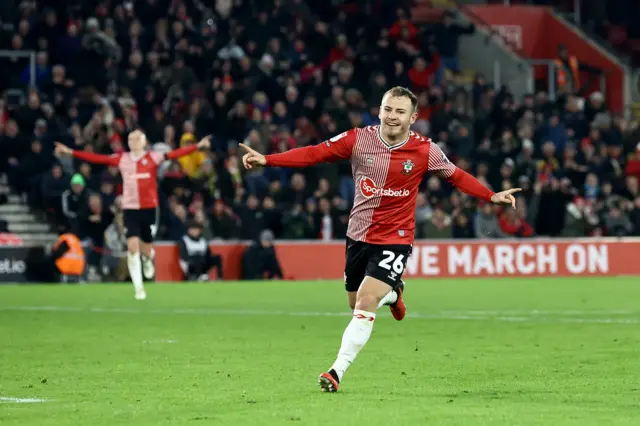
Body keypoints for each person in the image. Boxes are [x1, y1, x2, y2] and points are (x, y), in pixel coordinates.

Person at [240, 86, 521, 393]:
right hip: (358, 235)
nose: (392, 116)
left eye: (400, 111)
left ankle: (337, 370)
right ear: (379, 110)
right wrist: (268, 159)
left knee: (364, 300)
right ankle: (393, 294)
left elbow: (455, 175)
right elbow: (313, 153)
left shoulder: (426, 150)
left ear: (413, 117)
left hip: (396, 237)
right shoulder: (358, 139)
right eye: (388, 109)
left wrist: (491, 195)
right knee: (355, 302)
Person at [54, 130, 211, 299]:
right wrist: (71, 152)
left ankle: (147, 259)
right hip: (130, 209)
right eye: (130, 139)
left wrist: (197, 146)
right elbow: (97, 158)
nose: (133, 141)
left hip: (149, 209)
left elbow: (175, 154)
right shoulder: (122, 159)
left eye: (137, 138)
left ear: (143, 142)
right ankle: (139, 288)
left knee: (146, 248)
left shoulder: (154, 157)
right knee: (132, 249)